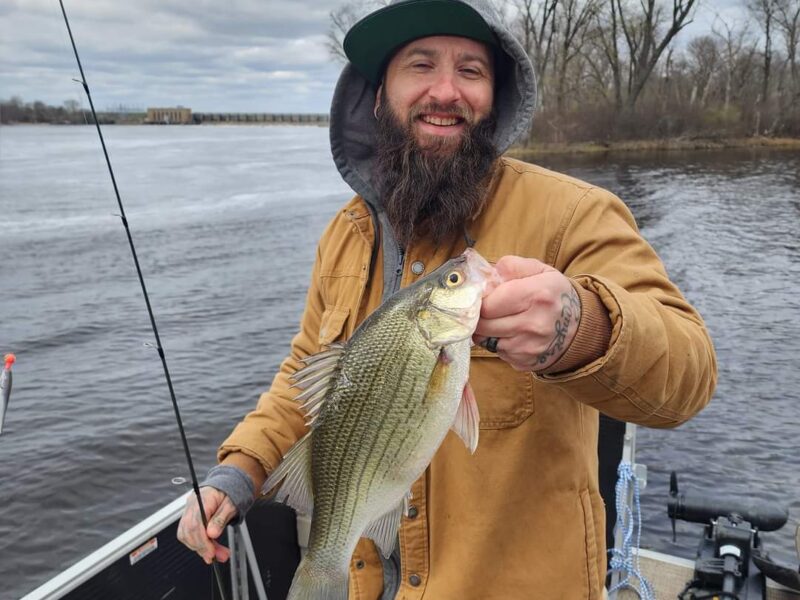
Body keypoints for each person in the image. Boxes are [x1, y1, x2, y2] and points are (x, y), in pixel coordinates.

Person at [177, 0, 717, 597]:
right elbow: (305, 373)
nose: (445, 91)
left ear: (495, 97)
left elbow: (687, 377)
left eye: (471, 70)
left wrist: (580, 327)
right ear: (378, 94)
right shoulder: (344, 233)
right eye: (420, 65)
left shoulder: (574, 214)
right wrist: (238, 470)